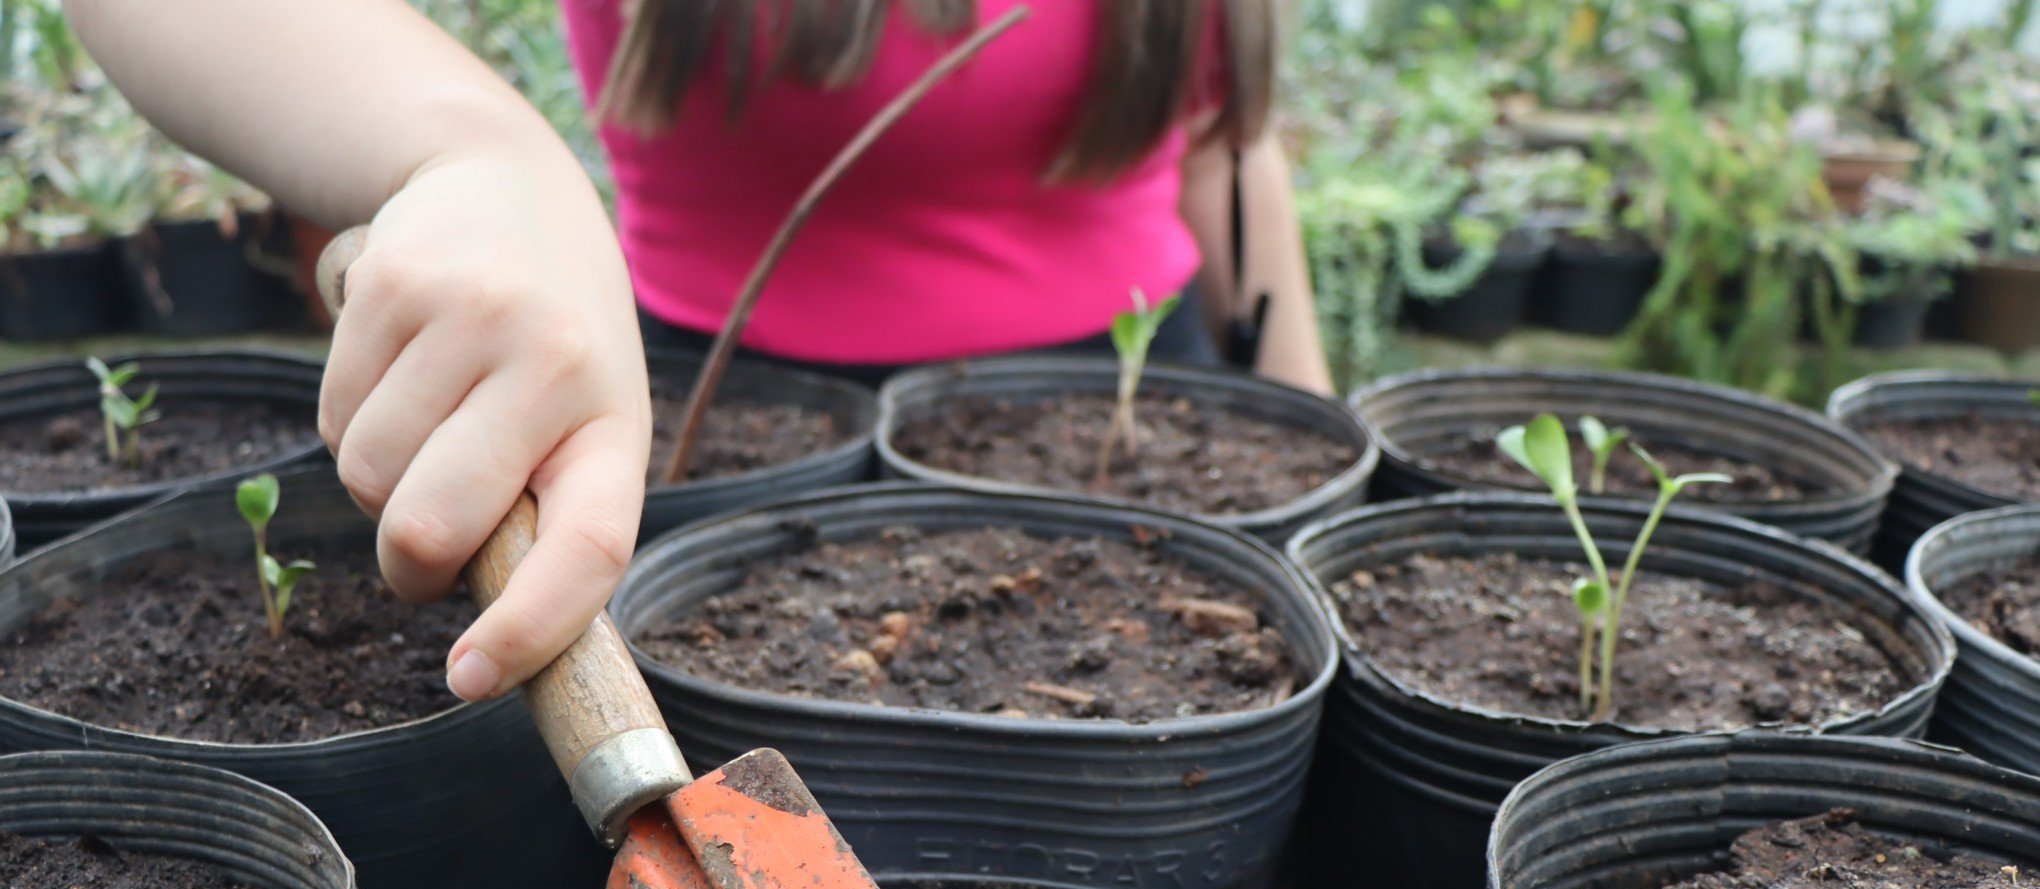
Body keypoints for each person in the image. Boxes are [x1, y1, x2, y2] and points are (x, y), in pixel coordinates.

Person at [64, 0, 1332, 704]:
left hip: (1150, 429)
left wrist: (1315, 434)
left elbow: (1229, 142)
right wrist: (463, 148)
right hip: (714, 436)